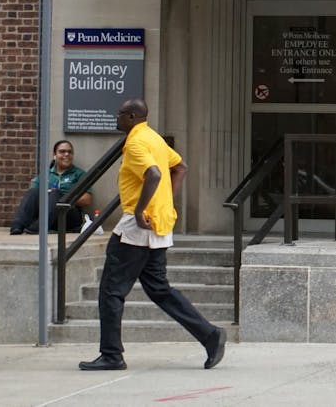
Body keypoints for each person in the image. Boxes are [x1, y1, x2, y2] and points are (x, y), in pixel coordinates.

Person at [79, 98, 226, 371]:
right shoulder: (154, 138)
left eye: (121, 114)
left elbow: (155, 174)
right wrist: (165, 202)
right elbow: (180, 167)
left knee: (111, 291)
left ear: (132, 116)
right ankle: (210, 335)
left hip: (138, 227)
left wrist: (139, 210)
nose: (117, 117)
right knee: (160, 290)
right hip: (158, 226)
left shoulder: (135, 143)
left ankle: (111, 355)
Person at [10, 140, 90, 235]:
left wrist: (61, 197)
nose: (67, 154)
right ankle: (17, 226)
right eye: (62, 151)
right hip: (49, 218)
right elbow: (33, 197)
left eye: (70, 152)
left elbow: (87, 200)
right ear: (54, 155)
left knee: (55, 193)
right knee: (33, 192)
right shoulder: (45, 175)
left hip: (68, 217)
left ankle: (38, 227)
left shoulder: (79, 174)